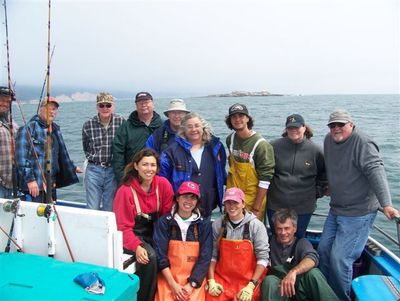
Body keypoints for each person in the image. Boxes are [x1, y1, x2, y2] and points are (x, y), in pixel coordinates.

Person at [318, 109, 399, 301]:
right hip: (336, 208)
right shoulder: (328, 141)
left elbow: (376, 171)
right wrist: (329, 186)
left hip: (359, 213)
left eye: (341, 124)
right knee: (323, 249)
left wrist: (386, 204)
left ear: (351, 125)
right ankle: (324, 292)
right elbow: (332, 167)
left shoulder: (363, 142)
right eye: (332, 125)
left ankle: (339, 298)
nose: (336, 128)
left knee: (340, 259)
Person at [113, 148, 174, 301]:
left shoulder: (164, 185)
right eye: (145, 165)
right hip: (132, 234)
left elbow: (167, 217)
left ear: (157, 168)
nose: (149, 169)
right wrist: (137, 247)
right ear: (136, 166)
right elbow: (123, 227)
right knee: (150, 257)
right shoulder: (125, 191)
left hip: (155, 232)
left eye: (153, 165)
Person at [267, 114, 328, 238]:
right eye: (290, 128)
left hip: (303, 207)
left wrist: (316, 193)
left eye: (297, 127)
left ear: (304, 128)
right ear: (286, 129)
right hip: (275, 204)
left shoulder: (316, 150)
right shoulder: (273, 146)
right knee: (277, 237)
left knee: (298, 238)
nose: (293, 130)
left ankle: (297, 257)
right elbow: (264, 170)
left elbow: (325, 175)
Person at [260, 209, 338, 301]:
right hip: (279, 291)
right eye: (279, 229)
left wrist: (293, 272)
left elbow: (312, 258)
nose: (283, 233)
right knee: (269, 281)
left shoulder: (301, 243)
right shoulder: (267, 243)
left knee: (314, 273)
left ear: (295, 228)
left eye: (287, 228)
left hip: (300, 290)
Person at [206, 187, 269, 301]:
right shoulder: (218, 224)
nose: (231, 206)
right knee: (211, 296)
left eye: (235, 202)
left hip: (248, 280)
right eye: (228, 202)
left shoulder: (256, 226)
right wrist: (211, 281)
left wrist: (251, 286)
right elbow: (212, 256)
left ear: (243, 204)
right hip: (223, 278)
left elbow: (263, 259)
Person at [160, 112, 227, 218]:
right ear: (183, 130)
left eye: (197, 125)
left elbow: (221, 172)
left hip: (211, 206)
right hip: (183, 208)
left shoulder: (216, 147)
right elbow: (163, 180)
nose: (194, 129)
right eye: (189, 127)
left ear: (203, 127)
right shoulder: (171, 151)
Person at [153, 181, 212, 301]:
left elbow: (205, 257)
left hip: (195, 280)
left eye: (193, 198)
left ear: (197, 202)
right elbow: (160, 256)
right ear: (177, 198)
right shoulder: (164, 222)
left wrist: (192, 284)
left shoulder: (204, 224)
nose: (189, 201)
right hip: (168, 279)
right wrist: (173, 285)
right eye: (185, 196)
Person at [15, 97, 81, 203]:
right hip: (35, 186)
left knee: (50, 215)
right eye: (48, 108)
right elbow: (21, 159)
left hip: (51, 184)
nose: (51, 111)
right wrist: (30, 180)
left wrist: (72, 167)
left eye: (54, 109)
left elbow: (58, 155)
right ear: (41, 109)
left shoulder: (55, 129)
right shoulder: (27, 129)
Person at [225, 103, 275, 221]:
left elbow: (265, 179)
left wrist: (256, 208)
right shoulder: (230, 140)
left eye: (241, 116)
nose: (237, 119)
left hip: (253, 199)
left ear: (248, 118)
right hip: (233, 198)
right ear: (230, 120)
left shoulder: (261, 145)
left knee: (251, 235)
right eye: (234, 117)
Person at [82, 92, 124, 211]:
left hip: (112, 170)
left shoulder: (121, 121)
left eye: (108, 105)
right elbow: (86, 147)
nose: (105, 108)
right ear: (97, 107)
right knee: (92, 206)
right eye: (101, 105)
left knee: (110, 206)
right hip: (94, 169)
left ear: (113, 106)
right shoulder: (88, 125)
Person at [112, 92, 162, 183]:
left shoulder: (163, 125)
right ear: (136, 105)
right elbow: (117, 154)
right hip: (132, 178)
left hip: (159, 176)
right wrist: (122, 179)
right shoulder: (126, 127)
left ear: (153, 103)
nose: (143, 105)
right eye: (140, 103)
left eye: (146, 102)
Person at [0, 86, 18, 199]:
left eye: (8, 101)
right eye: (1, 100)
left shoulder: (13, 124)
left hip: (12, 183)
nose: (5, 104)